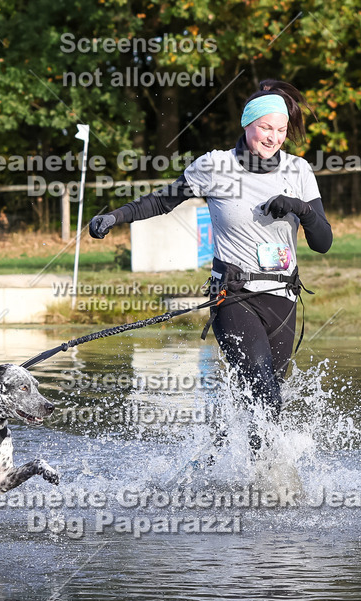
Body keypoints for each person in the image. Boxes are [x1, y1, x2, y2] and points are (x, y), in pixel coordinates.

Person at [88, 80, 332, 449]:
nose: (273, 138)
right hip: (234, 297)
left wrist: (300, 208)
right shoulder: (216, 165)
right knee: (264, 391)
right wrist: (116, 217)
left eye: (280, 130)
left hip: (282, 299)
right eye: (266, 128)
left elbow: (323, 242)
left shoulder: (298, 171)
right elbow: (161, 201)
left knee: (261, 401)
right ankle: (268, 485)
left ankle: (225, 466)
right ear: (247, 123)